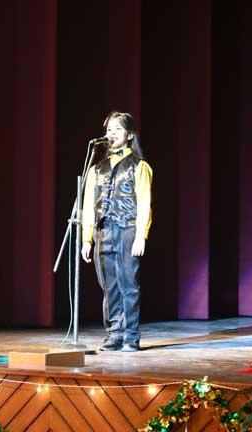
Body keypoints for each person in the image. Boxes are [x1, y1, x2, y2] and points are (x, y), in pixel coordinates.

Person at [81, 111, 153, 352]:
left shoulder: (139, 166)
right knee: (109, 286)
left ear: (129, 135)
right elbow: (88, 206)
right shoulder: (96, 169)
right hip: (103, 232)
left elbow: (144, 202)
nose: (111, 133)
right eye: (109, 129)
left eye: (117, 129)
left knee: (128, 284)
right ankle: (114, 333)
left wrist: (141, 235)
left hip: (127, 229)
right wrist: (87, 239)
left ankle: (131, 335)